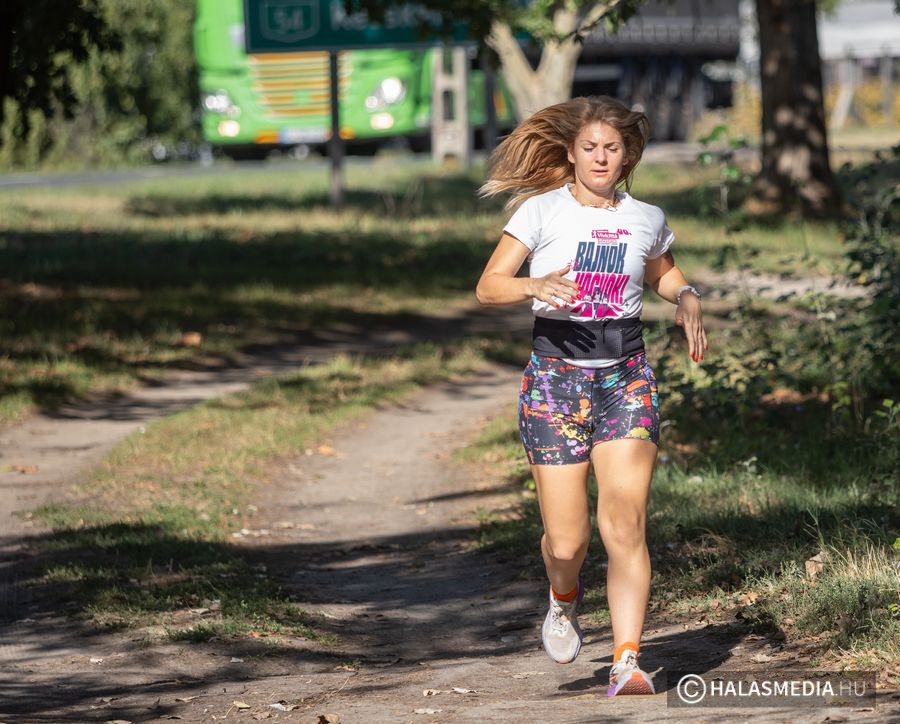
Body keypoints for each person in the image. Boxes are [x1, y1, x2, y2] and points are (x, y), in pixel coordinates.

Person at [475, 95, 708, 697]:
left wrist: (687, 296)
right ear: (572, 153)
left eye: (612, 148)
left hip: (625, 379)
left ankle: (627, 660)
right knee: (568, 541)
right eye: (590, 148)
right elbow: (489, 287)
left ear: (627, 155)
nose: (601, 157)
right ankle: (562, 595)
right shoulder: (541, 211)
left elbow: (662, 272)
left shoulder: (646, 217)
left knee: (625, 524)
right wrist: (534, 284)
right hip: (555, 382)